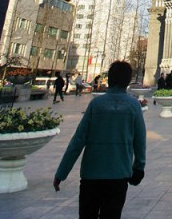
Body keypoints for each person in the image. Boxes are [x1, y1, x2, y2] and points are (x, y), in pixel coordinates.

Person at [53, 60, 146, 219]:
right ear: (128, 81)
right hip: (118, 176)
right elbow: (140, 141)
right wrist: (138, 168)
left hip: (91, 175)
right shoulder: (133, 106)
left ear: (109, 80)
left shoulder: (96, 104)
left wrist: (62, 172)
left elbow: (77, 141)